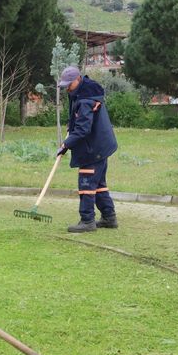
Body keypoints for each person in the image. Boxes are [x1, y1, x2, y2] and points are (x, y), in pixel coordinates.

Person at [57, 66, 118, 233]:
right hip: (100, 146)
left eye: (69, 84)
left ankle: (87, 221)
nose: (67, 88)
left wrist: (66, 144)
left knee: (86, 183)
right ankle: (109, 217)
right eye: (65, 85)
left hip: (93, 149)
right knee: (98, 184)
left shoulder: (86, 100)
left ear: (78, 80)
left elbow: (83, 130)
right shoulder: (83, 93)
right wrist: (71, 125)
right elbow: (78, 120)